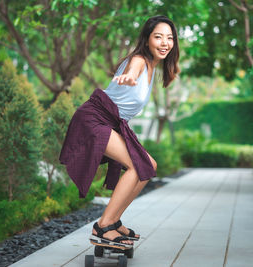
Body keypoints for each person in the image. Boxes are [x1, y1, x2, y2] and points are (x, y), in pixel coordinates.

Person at [59, 15, 180, 249]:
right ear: (146, 40)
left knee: (149, 166)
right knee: (136, 167)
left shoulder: (154, 68)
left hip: (110, 121)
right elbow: (133, 70)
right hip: (94, 118)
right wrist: (129, 76)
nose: (165, 42)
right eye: (158, 37)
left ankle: (113, 221)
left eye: (170, 38)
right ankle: (103, 226)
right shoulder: (139, 60)